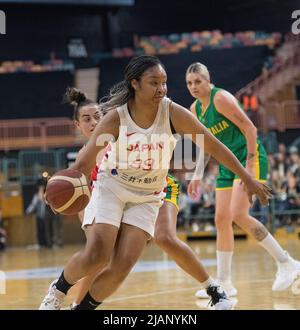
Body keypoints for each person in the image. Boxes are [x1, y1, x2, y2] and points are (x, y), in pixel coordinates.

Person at [39, 55, 270, 310]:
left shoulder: (173, 113)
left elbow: (214, 146)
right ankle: (57, 292)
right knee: (97, 254)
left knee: (123, 264)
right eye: (154, 83)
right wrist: (62, 191)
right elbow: (83, 165)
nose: (161, 88)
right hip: (112, 188)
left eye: (164, 82)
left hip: (148, 194)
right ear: (135, 84)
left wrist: (248, 178)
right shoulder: (116, 118)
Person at [185, 62, 300, 298]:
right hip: (228, 166)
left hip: (250, 159)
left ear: (209, 81)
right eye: (189, 83)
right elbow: (205, 146)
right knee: (220, 220)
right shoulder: (195, 109)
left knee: (238, 214)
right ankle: (225, 282)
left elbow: (250, 129)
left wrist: (248, 170)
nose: (194, 86)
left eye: (198, 81)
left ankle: (285, 262)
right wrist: (197, 175)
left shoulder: (221, 99)